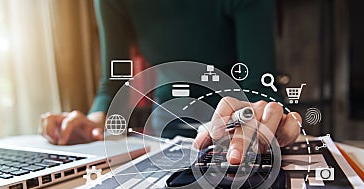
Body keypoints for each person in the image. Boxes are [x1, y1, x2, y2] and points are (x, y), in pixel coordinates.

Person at [40, 0, 301, 164]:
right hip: (164, 131)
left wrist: (264, 113)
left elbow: (259, 84)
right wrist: (95, 119)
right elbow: (114, 81)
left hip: (233, 128)